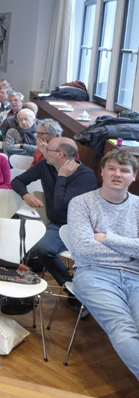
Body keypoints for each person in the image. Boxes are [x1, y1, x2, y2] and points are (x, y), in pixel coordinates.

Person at [68, 150, 139, 380]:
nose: (117, 174)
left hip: (135, 276)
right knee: (123, 327)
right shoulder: (81, 203)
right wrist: (131, 254)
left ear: (134, 176)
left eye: (124, 170)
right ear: (102, 172)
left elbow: (95, 245)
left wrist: (106, 237)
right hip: (93, 274)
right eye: (112, 168)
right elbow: (83, 249)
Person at [12, 137, 97, 290]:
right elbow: (17, 181)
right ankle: (68, 285)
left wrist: (62, 177)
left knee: (48, 249)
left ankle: (78, 290)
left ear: (60, 154)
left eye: (48, 149)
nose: (43, 151)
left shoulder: (85, 176)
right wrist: (26, 195)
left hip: (78, 227)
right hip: (57, 224)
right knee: (42, 249)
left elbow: (60, 204)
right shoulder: (46, 166)